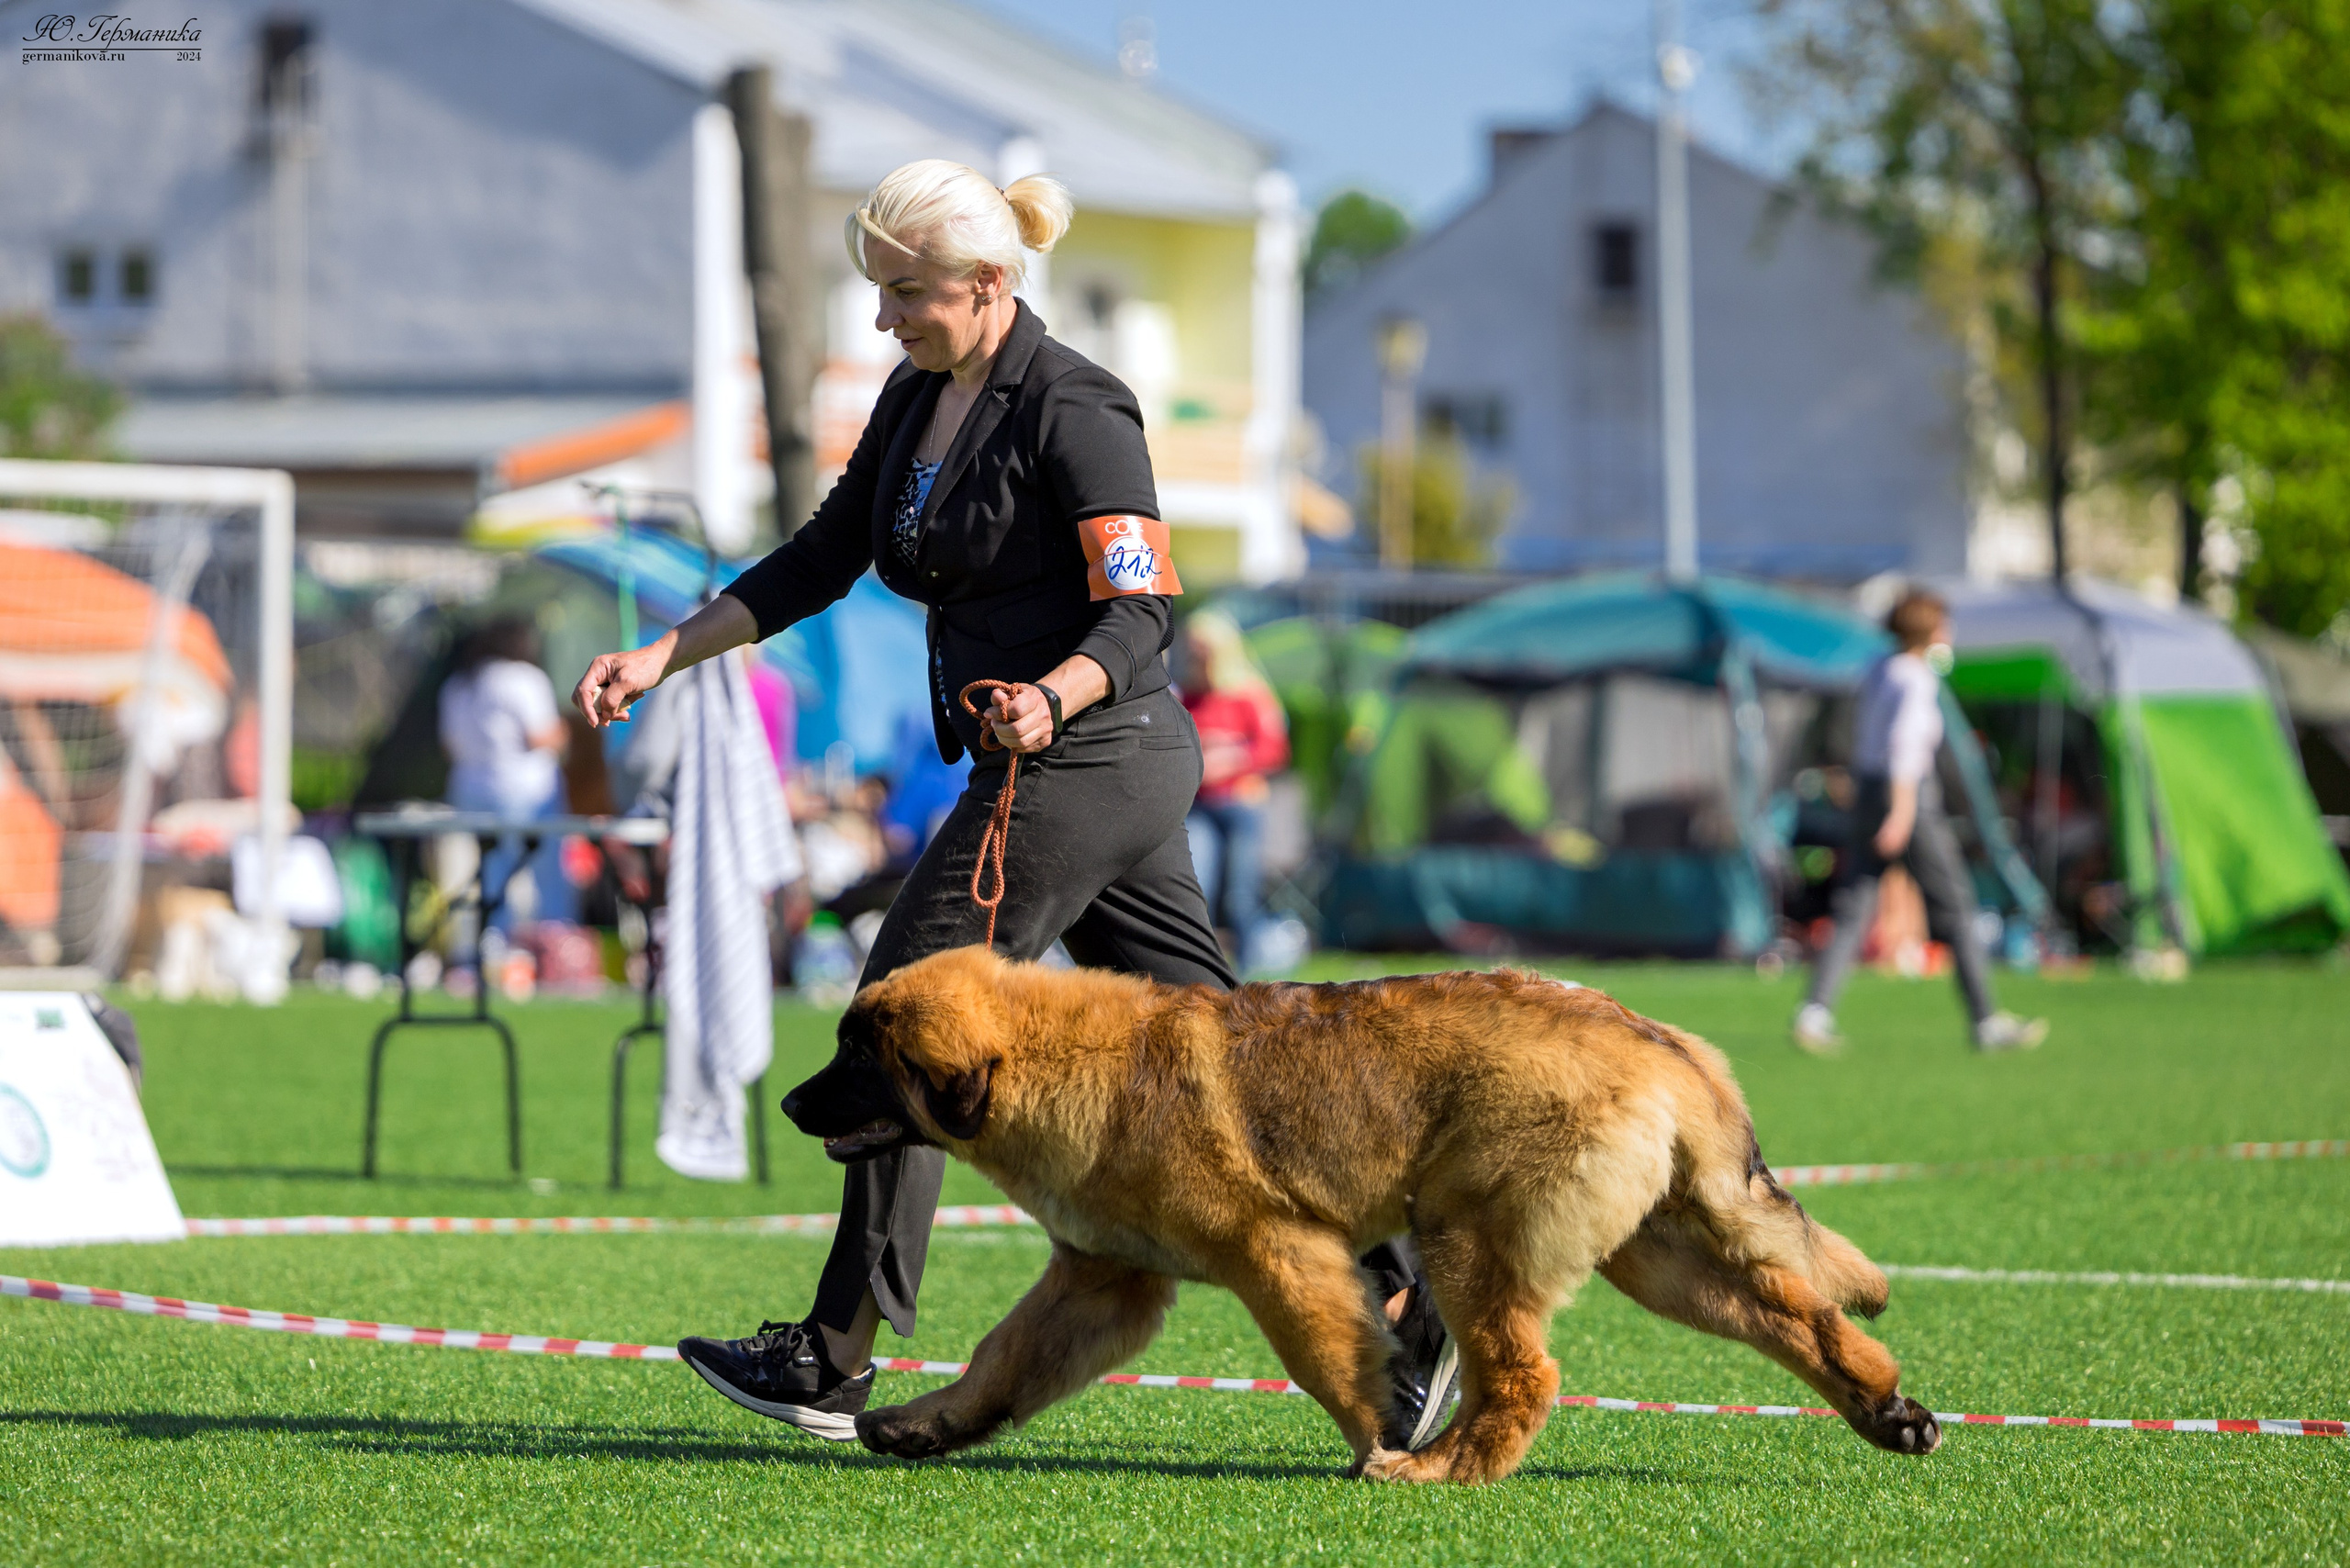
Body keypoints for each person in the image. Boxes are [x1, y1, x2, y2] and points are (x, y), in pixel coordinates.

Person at [570, 159, 1453, 1446]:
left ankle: (831, 1355)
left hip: (1086, 760)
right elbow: (825, 555)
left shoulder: (1081, 405)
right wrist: (667, 650)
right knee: (1232, 1070)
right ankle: (1402, 1302)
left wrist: (1054, 693)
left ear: (990, 286)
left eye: (907, 296)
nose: (884, 320)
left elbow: (1144, 611)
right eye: (879, 296)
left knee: (906, 1025)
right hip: (1082, 773)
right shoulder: (915, 394)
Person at [1793, 589, 2047, 1055]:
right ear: (1929, 631)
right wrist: (1903, 814)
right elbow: (1905, 749)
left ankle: (1814, 1012)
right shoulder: (1916, 678)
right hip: (1906, 798)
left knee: (1853, 906)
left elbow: (1862, 740)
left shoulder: (1877, 669)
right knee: (1956, 905)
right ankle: (1987, 1020)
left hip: (1868, 790)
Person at [438, 616, 574, 933]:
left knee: (493, 876)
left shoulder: (458, 684)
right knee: (547, 876)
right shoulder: (523, 678)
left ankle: (495, 953)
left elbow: (449, 747)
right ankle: (558, 949)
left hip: (472, 794)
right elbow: (541, 737)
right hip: (526, 793)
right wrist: (569, 731)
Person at [1178, 610, 1291, 973]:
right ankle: (1204, 970)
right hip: (1201, 806)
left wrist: (1231, 756)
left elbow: (1274, 749)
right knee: (1198, 887)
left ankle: (1252, 972)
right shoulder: (1189, 697)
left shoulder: (1248, 693)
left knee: (1240, 896)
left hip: (1241, 803)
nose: (1196, 658)